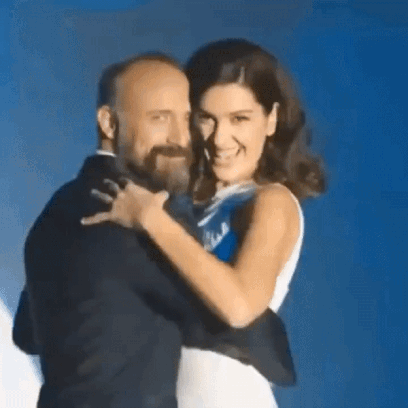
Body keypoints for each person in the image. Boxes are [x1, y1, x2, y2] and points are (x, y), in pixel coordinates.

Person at [13, 52, 296, 408]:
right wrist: (280, 353)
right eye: (159, 118)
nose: (181, 138)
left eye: (186, 119)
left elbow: (26, 333)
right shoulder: (136, 215)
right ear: (109, 123)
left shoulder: (56, 213)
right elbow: (233, 317)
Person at [82, 39, 326, 408]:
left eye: (240, 119)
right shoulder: (187, 208)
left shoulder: (271, 202)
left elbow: (240, 306)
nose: (220, 138)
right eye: (206, 118)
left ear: (271, 119)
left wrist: (150, 220)